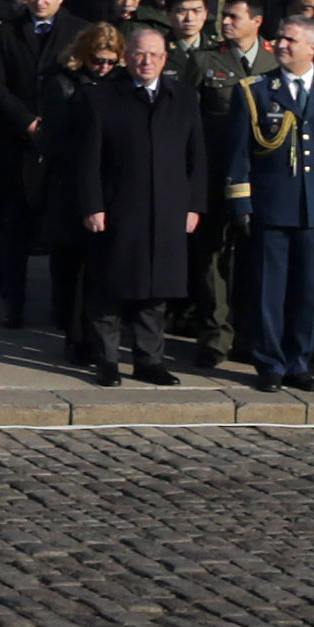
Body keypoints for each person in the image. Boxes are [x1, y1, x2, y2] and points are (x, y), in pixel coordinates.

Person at [50, 21, 212, 389]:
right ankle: (106, 360)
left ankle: (149, 360)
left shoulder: (183, 97)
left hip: (169, 209)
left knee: (157, 290)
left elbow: (196, 157)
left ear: (165, 58)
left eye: (154, 55)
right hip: (119, 207)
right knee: (110, 287)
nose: (146, 61)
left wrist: (194, 206)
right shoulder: (101, 97)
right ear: (126, 56)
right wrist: (92, 205)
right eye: (139, 54)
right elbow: (88, 159)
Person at [230, 19, 314, 392]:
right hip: (271, 206)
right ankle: (269, 363)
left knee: (308, 292)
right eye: (280, 38)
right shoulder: (255, 92)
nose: (281, 44)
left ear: (313, 48)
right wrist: (241, 203)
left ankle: (299, 362)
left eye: (290, 39)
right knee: (270, 291)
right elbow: (239, 155)